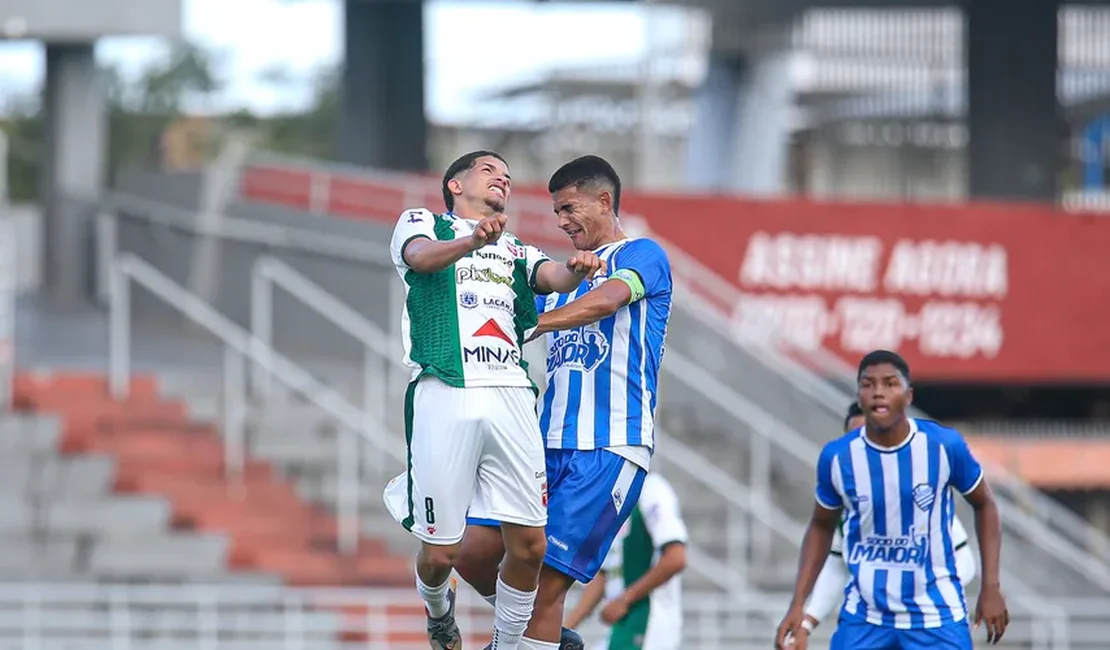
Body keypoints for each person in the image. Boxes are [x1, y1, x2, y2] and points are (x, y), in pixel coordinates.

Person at [381, 150, 606, 650]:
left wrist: (580, 268)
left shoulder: (515, 250)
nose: (502, 178)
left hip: (510, 397)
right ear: (456, 185)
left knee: (529, 546)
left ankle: (507, 644)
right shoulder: (423, 223)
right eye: (489, 171)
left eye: (507, 175)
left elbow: (552, 278)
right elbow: (418, 258)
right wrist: (470, 241)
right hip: (445, 392)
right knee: (441, 555)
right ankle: (439, 611)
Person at [454, 154, 674, 650]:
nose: (561, 220)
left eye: (569, 207)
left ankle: (535, 636)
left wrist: (534, 324)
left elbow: (608, 301)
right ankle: (550, 638)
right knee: (469, 552)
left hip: (608, 447)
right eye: (555, 212)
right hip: (540, 446)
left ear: (604, 200)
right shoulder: (564, 278)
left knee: (547, 586)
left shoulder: (642, 255)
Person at [775, 349, 1009, 650]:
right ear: (859, 394)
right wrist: (799, 606)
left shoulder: (942, 446)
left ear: (908, 395)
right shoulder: (837, 457)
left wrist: (991, 587)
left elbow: (985, 503)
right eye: (868, 384)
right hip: (865, 619)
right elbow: (821, 527)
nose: (878, 393)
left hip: (936, 618)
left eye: (889, 383)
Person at [792, 402, 979, 648]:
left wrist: (912, 592)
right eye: (855, 437)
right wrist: (806, 623)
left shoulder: (923, 498)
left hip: (928, 626)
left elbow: (965, 562)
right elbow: (837, 567)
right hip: (871, 625)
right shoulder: (846, 506)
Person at [563, 472, 688, 650]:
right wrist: (564, 630)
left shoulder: (651, 490)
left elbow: (676, 558)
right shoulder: (615, 495)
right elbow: (602, 577)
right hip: (621, 624)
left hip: (647, 623)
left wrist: (625, 600)